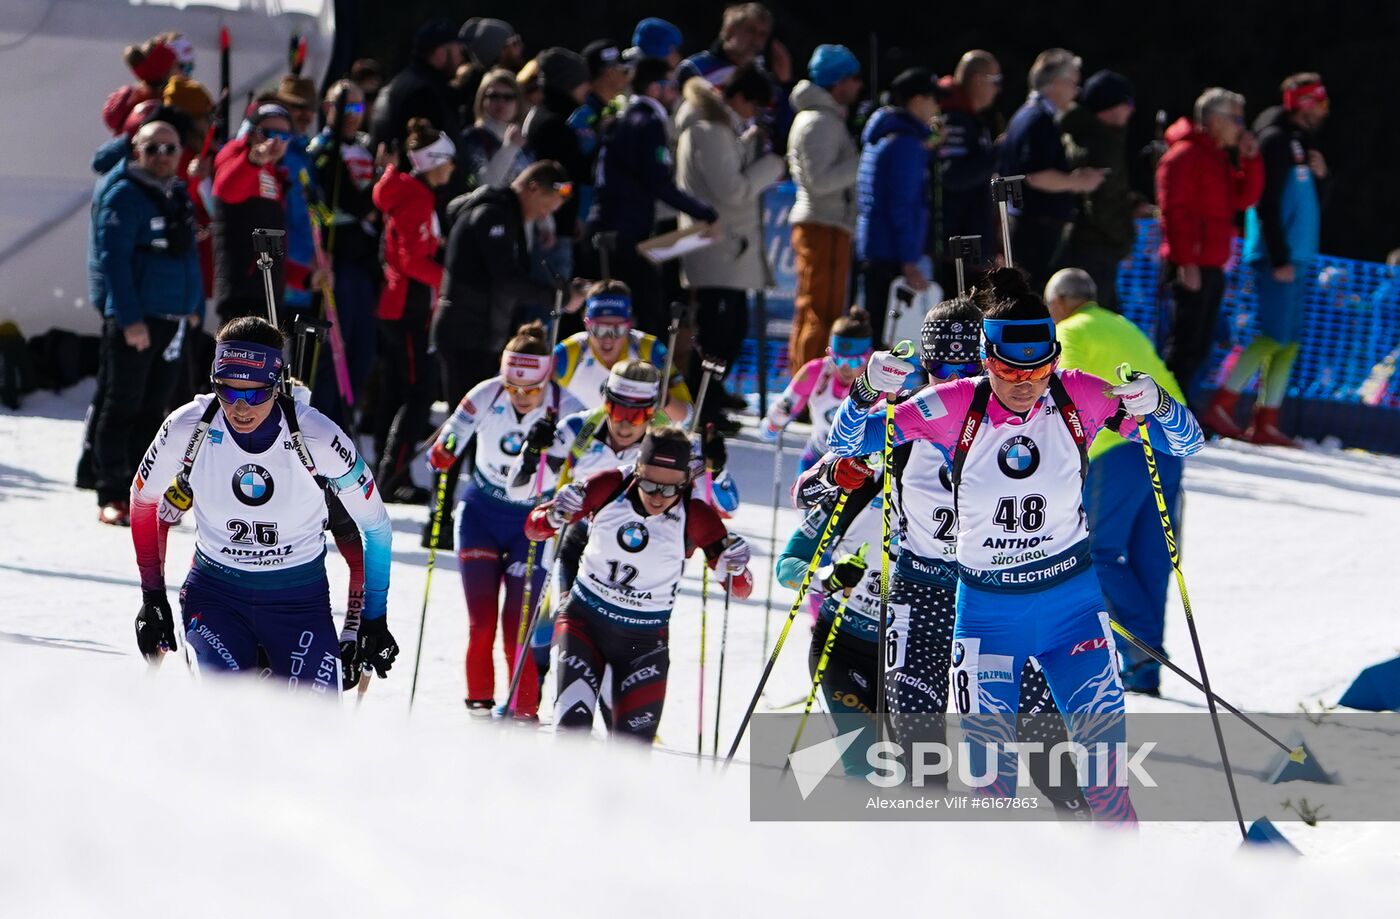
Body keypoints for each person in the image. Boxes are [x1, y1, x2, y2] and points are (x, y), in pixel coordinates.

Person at [827, 268, 1204, 819]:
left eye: (1039, 367)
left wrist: (1159, 405)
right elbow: (848, 445)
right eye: (1008, 368)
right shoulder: (953, 405)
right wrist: (865, 393)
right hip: (987, 618)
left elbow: (1185, 443)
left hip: (1072, 608)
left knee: (1103, 784)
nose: (1025, 382)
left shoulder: (1079, 394)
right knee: (990, 791)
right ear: (986, 357)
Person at [795, 296, 1088, 814]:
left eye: (966, 369)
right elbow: (809, 491)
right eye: (939, 371)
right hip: (922, 599)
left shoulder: (1032, 424)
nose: (952, 384)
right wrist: (837, 475)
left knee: (1049, 757)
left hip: (1000, 600)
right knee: (918, 765)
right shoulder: (904, 424)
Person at [128, 316, 399, 689]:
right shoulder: (188, 428)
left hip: (298, 603)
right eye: (227, 391)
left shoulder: (316, 437)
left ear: (276, 384)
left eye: (254, 393)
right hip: (216, 597)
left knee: (313, 735)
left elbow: (376, 528)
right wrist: (153, 596)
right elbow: (144, 502)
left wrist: (371, 621)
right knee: (229, 716)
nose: (240, 407)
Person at [524, 427, 753, 741]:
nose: (658, 497)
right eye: (648, 484)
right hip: (583, 625)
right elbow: (534, 529)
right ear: (637, 469)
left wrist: (738, 569)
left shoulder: (696, 515)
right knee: (569, 738)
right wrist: (552, 515)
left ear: (686, 481)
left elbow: (740, 589)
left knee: (629, 759)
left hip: (643, 644)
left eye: (669, 490)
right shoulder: (608, 485)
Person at [426, 322, 585, 716]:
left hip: (533, 524)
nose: (521, 397)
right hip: (481, 514)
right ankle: (479, 707)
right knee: (481, 627)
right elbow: (448, 440)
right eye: (514, 388)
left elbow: (590, 461)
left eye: (531, 390)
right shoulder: (487, 391)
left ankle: (523, 711)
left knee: (518, 632)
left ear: (546, 377)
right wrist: (443, 453)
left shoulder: (566, 406)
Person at [1047, 267, 1185, 694]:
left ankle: (1139, 654)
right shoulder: (1123, 325)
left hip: (1119, 448)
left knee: (1094, 552)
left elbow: (1061, 393)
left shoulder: (1070, 330)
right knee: (1152, 560)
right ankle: (1146, 668)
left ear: (1060, 304)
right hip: (1169, 443)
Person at [90, 121, 203, 526]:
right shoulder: (124, 194)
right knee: (122, 404)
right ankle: (110, 492)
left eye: (170, 148)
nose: (161, 155)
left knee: (157, 410)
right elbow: (113, 262)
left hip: (173, 318)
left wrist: (194, 308)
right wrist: (129, 319)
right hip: (137, 321)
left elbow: (190, 255)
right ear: (135, 149)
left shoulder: (177, 194)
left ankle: (143, 493)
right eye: (152, 147)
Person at [1208, 74, 1329, 445]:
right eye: (1319, 102)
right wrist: (1278, 256)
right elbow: (1267, 201)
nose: (1325, 110)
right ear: (1304, 103)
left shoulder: (1300, 144)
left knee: (1288, 341)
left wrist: (1323, 178)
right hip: (1280, 256)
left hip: (1299, 254)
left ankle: (1267, 419)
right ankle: (1222, 404)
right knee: (1272, 335)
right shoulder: (1275, 139)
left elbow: (1306, 202)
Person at [675, 66, 787, 432]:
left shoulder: (716, 129)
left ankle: (712, 395)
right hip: (718, 247)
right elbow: (733, 190)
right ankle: (704, 405)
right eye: (754, 107)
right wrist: (772, 163)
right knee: (720, 332)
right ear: (740, 98)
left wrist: (750, 144)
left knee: (728, 329)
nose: (754, 115)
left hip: (724, 248)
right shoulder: (710, 130)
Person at [588, 57, 719, 336]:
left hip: (609, 227)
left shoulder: (624, 117)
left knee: (614, 311)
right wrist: (704, 211)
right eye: (670, 86)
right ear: (655, 88)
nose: (674, 93)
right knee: (646, 313)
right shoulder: (647, 123)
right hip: (626, 232)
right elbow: (659, 182)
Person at [1155, 87, 1264, 404]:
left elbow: (1244, 198)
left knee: (1201, 345)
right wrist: (1186, 262)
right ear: (1215, 119)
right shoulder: (1185, 155)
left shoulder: (1216, 158)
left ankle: (1181, 409)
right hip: (1191, 265)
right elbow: (1174, 213)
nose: (1240, 126)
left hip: (1213, 264)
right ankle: (1166, 412)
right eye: (1236, 119)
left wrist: (1251, 159)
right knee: (1183, 344)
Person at [371, 117, 454, 503]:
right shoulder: (418, 197)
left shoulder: (413, 193)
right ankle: (393, 476)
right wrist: (449, 279)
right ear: (433, 161)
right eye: (447, 161)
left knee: (399, 390)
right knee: (418, 392)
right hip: (408, 306)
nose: (452, 169)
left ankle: (386, 473)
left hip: (401, 304)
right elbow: (411, 260)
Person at [997, 49, 1105, 292]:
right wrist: (1079, 182)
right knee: (1031, 296)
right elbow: (1036, 175)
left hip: (1025, 226)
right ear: (1056, 83)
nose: (1076, 91)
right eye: (1073, 83)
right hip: (1035, 229)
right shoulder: (1039, 119)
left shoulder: (1026, 114)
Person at [785, 44, 862, 369]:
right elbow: (820, 181)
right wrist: (862, 162)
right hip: (822, 223)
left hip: (823, 222)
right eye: (853, 78)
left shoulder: (819, 118)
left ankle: (803, 379)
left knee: (815, 307)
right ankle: (809, 384)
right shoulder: (820, 121)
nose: (858, 86)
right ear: (838, 81)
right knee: (821, 309)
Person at [307, 80, 379, 429]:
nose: (352, 117)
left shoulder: (364, 150)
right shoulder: (322, 151)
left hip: (365, 265)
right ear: (328, 110)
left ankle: (345, 425)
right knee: (332, 359)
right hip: (339, 263)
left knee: (361, 355)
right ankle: (323, 425)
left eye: (358, 109)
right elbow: (352, 203)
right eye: (345, 109)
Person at [856, 68, 938, 347]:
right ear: (916, 101)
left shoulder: (882, 136)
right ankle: (879, 392)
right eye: (933, 99)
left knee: (875, 332)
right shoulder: (905, 144)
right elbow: (901, 205)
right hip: (892, 253)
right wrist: (909, 259)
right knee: (887, 339)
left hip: (875, 247)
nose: (936, 107)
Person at [1058, 71, 1138, 314]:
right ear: (1110, 106)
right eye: (1128, 103)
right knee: (1100, 317)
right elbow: (1102, 204)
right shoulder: (1103, 142)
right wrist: (1124, 240)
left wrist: (1133, 203)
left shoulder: (1078, 134)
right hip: (1097, 249)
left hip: (1080, 244)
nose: (1131, 111)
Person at [553, 281, 690, 421]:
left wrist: (660, 397)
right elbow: (533, 393)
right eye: (599, 329)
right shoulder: (568, 354)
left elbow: (688, 418)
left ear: (629, 326)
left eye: (618, 329)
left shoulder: (649, 350)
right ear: (586, 325)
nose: (608, 338)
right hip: (579, 440)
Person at [762, 308, 873, 471]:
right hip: (816, 458)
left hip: (858, 468)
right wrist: (775, 421)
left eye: (855, 361)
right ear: (830, 353)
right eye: (839, 359)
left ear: (869, 356)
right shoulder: (814, 372)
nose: (845, 368)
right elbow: (767, 431)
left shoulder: (878, 381)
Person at [933, 50, 1002, 294]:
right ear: (978, 80)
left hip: (971, 244)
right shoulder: (955, 119)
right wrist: (995, 154)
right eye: (996, 81)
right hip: (958, 246)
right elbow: (952, 176)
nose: (998, 89)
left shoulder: (972, 119)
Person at [676, 3, 792, 147]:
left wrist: (785, 83)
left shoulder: (765, 79)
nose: (756, 40)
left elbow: (779, 129)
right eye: (750, 30)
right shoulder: (695, 68)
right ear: (729, 31)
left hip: (754, 162)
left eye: (763, 35)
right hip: (712, 152)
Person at [523, 48, 592, 288]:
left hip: (548, 222)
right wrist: (566, 212)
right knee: (550, 300)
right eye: (583, 82)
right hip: (551, 230)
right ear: (568, 84)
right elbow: (563, 180)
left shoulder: (542, 116)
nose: (588, 88)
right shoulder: (554, 125)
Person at [368, 18, 464, 155]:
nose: (461, 55)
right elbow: (430, 155)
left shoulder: (401, 82)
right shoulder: (423, 93)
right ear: (440, 51)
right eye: (457, 48)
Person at [272, 75, 323, 323]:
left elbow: (307, 212)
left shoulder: (304, 152)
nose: (305, 114)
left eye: (311, 108)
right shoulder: (279, 152)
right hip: (283, 271)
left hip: (305, 271)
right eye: (297, 107)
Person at [569, 40, 631, 225]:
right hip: (587, 215)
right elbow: (582, 170)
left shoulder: (615, 107)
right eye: (623, 70)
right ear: (609, 73)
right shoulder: (582, 115)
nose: (627, 76)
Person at [457, 68, 532, 194]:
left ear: (518, 102)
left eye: (508, 97)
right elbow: (483, 184)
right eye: (493, 96)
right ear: (482, 100)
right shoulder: (473, 137)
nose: (500, 102)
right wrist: (509, 149)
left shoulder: (524, 137)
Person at [103, 37, 178, 135]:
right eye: (176, 66)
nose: (181, 71)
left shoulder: (136, 98)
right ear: (165, 73)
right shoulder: (157, 107)